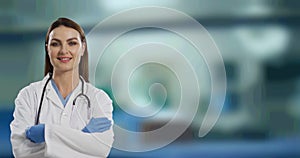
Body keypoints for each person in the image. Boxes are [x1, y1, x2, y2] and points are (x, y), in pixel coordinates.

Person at [10, 17, 114, 158]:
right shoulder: (28, 95)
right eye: (55, 44)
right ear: (47, 49)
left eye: (72, 43)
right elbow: (21, 152)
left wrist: (47, 133)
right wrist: (83, 136)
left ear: (82, 48)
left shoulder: (99, 98)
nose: (64, 51)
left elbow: (102, 149)